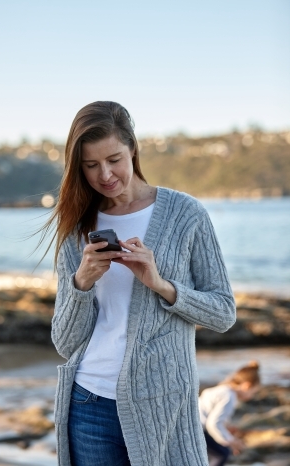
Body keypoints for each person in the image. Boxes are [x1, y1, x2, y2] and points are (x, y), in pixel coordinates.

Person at [49, 101, 236, 466]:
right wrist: (81, 284)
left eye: (114, 159)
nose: (105, 174)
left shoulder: (186, 214)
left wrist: (161, 284)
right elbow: (64, 342)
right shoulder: (77, 229)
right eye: (91, 165)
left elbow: (224, 312)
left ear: (133, 148)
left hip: (163, 404)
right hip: (89, 404)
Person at [199, 361, 261, 466]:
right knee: (222, 454)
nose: (252, 396)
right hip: (197, 428)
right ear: (247, 386)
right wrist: (231, 441)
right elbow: (213, 424)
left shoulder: (223, 389)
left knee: (220, 452)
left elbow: (213, 418)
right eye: (254, 392)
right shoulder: (229, 396)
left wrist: (227, 431)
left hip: (197, 426)